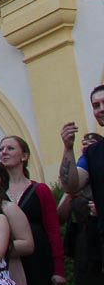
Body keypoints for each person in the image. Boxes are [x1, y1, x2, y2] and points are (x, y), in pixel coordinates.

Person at [0, 136, 64, 285]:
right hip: (10, 260)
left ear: (24, 156)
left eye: (10, 148)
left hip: (39, 259)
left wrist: (59, 269)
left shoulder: (40, 190)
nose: (4, 152)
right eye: (1, 149)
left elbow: (53, 230)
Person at [60, 85, 104, 265]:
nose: (101, 109)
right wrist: (68, 148)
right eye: (96, 105)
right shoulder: (92, 153)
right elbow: (71, 185)